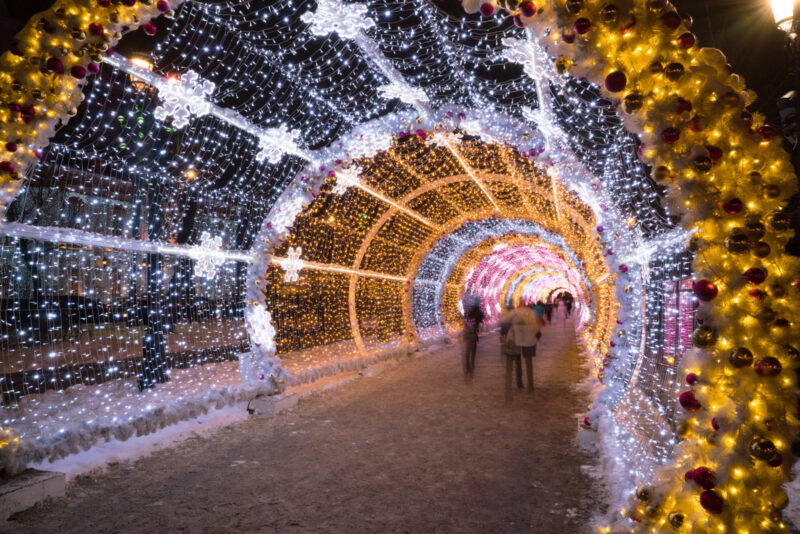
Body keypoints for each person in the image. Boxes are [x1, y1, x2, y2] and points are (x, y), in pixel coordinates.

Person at [500, 302, 541, 398]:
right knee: (528, 363)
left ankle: (510, 390)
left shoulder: (515, 312)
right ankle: (530, 387)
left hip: (514, 339)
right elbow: (537, 326)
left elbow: (504, 320)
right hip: (529, 340)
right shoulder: (532, 313)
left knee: (512, 363)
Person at [462, 300, 484, 378]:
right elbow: (481, 318)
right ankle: (471, 364)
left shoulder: (470, 313)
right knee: (473, 350)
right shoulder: (477, 312)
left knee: (468, 351)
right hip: (473, 334)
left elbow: (466, 321)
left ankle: (468, 365)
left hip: (469, 334)